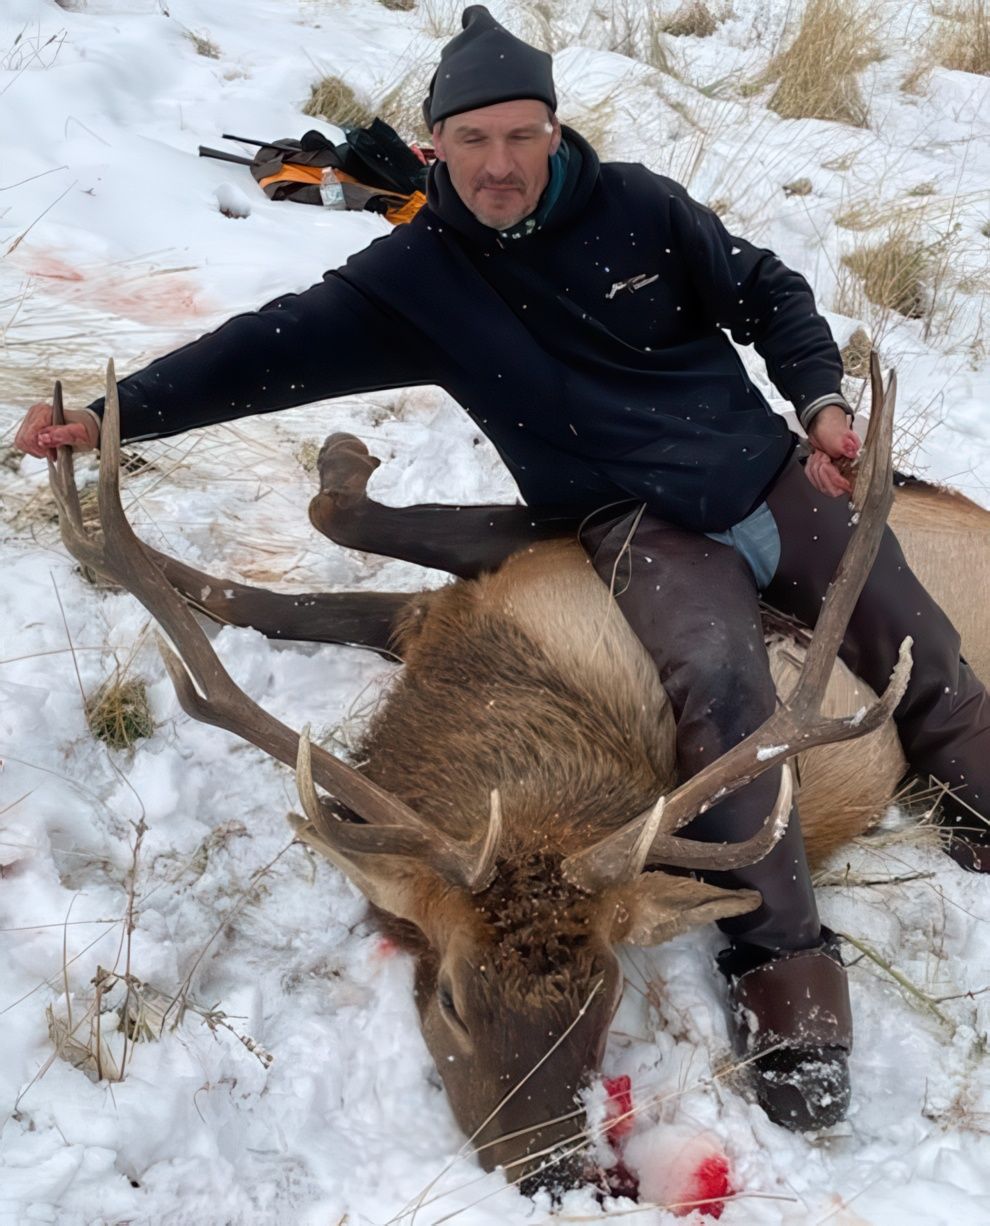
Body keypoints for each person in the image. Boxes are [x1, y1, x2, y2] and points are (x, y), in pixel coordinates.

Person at [15, 5, 990, 1133]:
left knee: (917, 640)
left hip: (763, 472)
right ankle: (787, 983)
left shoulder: (642, 208)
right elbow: (263, 351)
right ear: (432, 148)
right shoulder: (418, 279)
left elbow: (767, 290)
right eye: (471, 140)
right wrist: (110, 415)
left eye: (520, 135)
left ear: (554, 132)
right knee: (722, 697)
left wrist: (817, 399)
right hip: (634, 525)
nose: (498, 163)